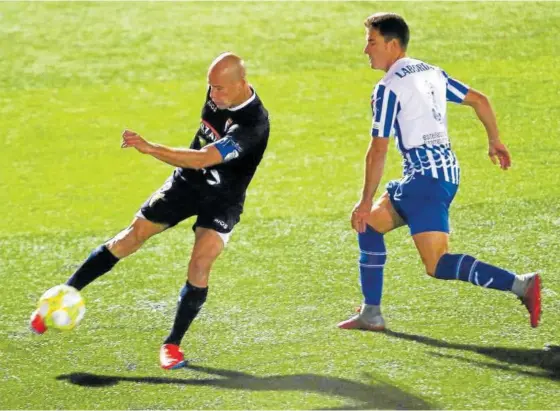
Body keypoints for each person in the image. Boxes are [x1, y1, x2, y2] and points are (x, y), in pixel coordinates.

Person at [30, 52, 271, 369]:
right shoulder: (220, 94)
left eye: (220, 89)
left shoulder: (253, 124)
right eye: (210, 87)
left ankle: (172, 344)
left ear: (242, 83)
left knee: (200, 263)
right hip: (186, 185)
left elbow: (202, 158)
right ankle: (62, 296)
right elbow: (196, 161)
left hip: (222, 199)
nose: (213, 96)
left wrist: (150, 147)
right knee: (132, 236)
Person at [338, 13, 541, 332]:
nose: (366, 50)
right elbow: (480, 100)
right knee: (369, 226)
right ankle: (371, 312)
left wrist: (364, 200)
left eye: (371, 42)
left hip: (425, 182)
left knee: (436, 264)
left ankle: (521, 285)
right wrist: (494, 141)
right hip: (441, 174)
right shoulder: (431, 72)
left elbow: (378, 149)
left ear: (392, 45)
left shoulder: (388, 87)